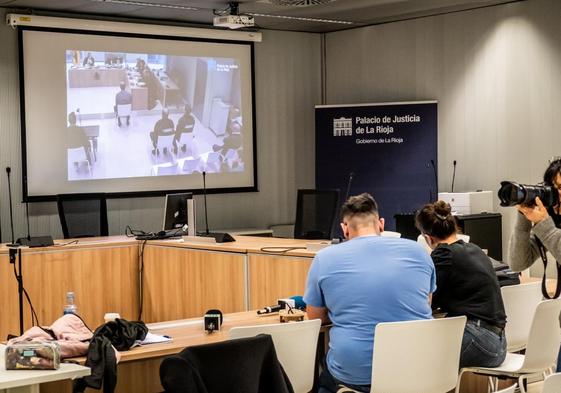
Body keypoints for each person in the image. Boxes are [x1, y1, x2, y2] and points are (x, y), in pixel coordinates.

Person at [304, 193, 435, 392]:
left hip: (356, 376)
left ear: (345, 229)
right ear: (381, 224)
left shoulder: (324, 258)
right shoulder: (419, 252)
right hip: (418, 371)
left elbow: (316, 318)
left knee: (321, 377)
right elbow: (426, 304)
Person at [415, 200, 507, 368]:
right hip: (498, 343)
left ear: (427, 238)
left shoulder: (444, 254)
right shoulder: (475, 249)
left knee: (413, 351)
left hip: (479, 341)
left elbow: (426, 303)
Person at [508, 157, 561, 371]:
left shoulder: (549, 225)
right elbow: (518, 262)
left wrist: (544, 224)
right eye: (556, 188)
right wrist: (524, 217)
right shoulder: (553, 221)